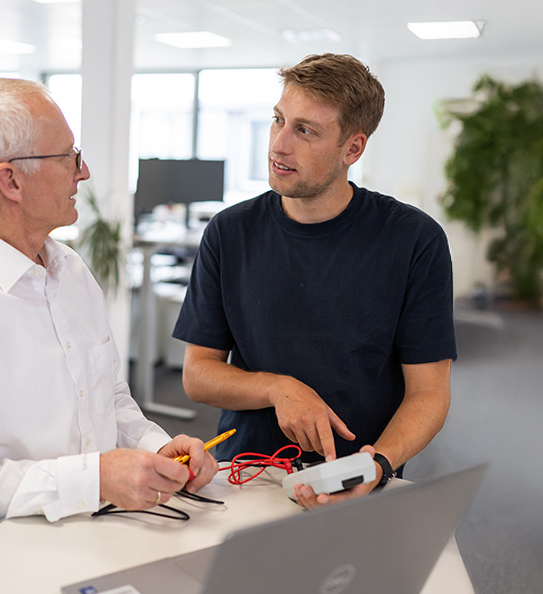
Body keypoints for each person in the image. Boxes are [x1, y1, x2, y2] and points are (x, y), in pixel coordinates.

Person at [0, 78, 219, 594]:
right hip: (4, 572)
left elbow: (109, 399)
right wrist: (98, 478)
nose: (83, 171)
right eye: (68, 156)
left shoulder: (70, 271)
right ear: (11, 181)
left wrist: (159, 448)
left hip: (99, 547)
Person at [172, 53, 456, 509]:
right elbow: (197, 374)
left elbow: (429, 392)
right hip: (245, 477)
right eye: (278, 121)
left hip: (358, 481)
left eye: (305, 130)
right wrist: (276, 387)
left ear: (353, 149)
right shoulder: (229, 232)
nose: (278, 145)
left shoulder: (414, 240)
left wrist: (376, 464)